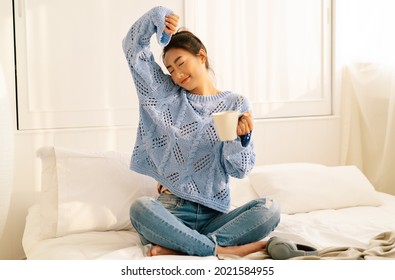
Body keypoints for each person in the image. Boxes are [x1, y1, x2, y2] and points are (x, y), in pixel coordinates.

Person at [122, 6, 280, 257]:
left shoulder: (235, 104)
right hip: (172, 211)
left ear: (201, 56)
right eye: (171, 69)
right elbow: (133, 49)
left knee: (269, 209)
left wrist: (241, 140)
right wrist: (158, 17)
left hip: (215, 215)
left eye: (180, 63)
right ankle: (222, 249)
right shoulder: (166, 96)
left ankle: (183, 247)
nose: (177, 74)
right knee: (140, 209)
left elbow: (239, 170)